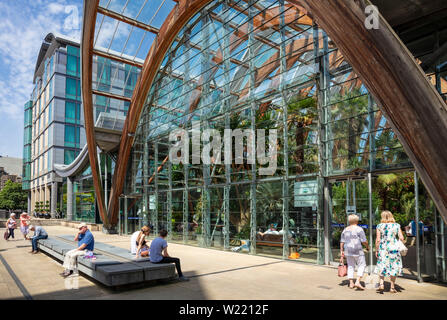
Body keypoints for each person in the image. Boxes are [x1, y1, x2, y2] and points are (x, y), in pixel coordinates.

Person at [375, 210, 404, 293]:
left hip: (383, 248)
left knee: (382, 265)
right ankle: (392, 287)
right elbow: (401, 238)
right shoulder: (397, 225)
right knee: (394, 266)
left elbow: (378, 240)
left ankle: (381, 284)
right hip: (394, 248)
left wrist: (376, 250)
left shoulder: (379, 226)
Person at [340, 214, 369, 290]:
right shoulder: (359, 229)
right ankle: (358, 282)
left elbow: (342, 241)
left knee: (350, 266)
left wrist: (341, 251)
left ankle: (351, 283)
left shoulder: (345, 229)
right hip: (358, 250)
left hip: (348, 250)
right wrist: (367, 247)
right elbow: (364, 241)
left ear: (349, 221)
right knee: (362, 265)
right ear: (356, 220)